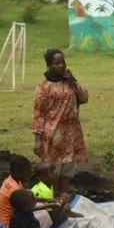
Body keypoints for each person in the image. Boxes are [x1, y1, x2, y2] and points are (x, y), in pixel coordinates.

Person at [32, 48, 88, 195]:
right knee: (53, 172)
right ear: (49, 65)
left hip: (70, 134)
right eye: (57, 63)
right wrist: (37, 139)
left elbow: (84, 98)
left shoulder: (69, 82)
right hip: (53, 136)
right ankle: (54, 203)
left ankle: (64, 202)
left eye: (62, 62)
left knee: (67, 172)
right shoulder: (43, 87)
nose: (61, 66)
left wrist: (73, 80)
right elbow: (38, 113)